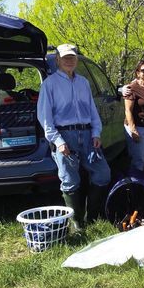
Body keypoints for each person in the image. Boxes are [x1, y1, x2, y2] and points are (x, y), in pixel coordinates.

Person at [37, 44, 111, 230]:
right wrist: (58, 142)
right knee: (70, 180)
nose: (70, 60)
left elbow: (92, 111)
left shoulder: (83, 82)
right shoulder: (49, 84)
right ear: (57, 60)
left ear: (76, 59)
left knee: (103, 173)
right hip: (64, 135)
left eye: (73, 57)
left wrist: (96, 132)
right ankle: (78, 223)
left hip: (87, 134)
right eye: (66, 57)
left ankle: (93, 217)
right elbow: (45, 118)